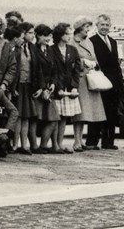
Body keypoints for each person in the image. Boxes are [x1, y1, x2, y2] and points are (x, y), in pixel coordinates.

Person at [1, 25, 38, 154]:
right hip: (17, 86)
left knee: (26, 116)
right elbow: (14, 70)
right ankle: (14, 144)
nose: (24, 39)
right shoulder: (13, 50)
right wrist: (13, 88)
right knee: (17, 115)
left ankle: (25, 145)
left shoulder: (30, 48)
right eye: (23, 36)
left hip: (27, 85)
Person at [87, 15, 123, 150]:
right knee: (97, 111)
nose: (104, 28)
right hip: (99, 81)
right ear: (97, 26)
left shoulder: (113, 42)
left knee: (111, 113)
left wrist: (119, 81)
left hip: (113, 83)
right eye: (102, 25)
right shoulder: (91, 41)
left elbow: (116, 63)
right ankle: (92, 141)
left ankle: (108, 141)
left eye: (107, 25)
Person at [71, 22, 106, 152]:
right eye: (86, 27)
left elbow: (95, 58)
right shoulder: (72, 42)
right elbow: (70, 60)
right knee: (79, 113)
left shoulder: (89, 42)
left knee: (86, 113)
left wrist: (94, 64)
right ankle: (77, 141)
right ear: (79, 27)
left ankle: (80, 141)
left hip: (90, 79)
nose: (88, 30)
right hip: (79, 80)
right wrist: (83, 62)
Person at [51, 23, 82, 153]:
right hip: (57, 89)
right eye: (66, 34)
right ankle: (54, 145)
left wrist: (74, 87)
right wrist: (57, 86)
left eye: (70, 33)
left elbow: (77, 70)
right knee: (55, 117)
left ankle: (60, 144)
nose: (69, 36)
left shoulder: (73, 50)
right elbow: (52, 70)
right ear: (59, 35)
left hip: (68, 89)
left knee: (64, 118)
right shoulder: (51, 50)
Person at [32, 24, 61, 153]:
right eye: (45, 35)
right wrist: (42, 88)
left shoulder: (50, 50)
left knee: (53, 118)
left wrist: (53, 84)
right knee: (35, 118)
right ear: (38, 35)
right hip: (38, 90)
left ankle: (44, 145)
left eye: (49, 35)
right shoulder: (33, 50)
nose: (48, 38)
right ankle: (35, 146)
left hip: (49, 90)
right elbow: (36, 70)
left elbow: (55, 69)